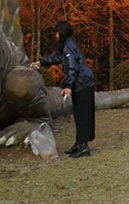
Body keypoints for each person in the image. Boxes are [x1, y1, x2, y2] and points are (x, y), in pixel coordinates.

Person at [33, 20, 95, 158]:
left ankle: (84, 147)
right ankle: (79, 144)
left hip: (83, 84)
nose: (55, 35)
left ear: (60, 33)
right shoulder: (67, 46)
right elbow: (57, 57)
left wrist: (68, 86)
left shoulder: (69, 48)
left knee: (83, 115)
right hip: (81, 84)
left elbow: (72, 68)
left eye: (56, 32)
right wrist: (42, 62)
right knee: (78, 115)